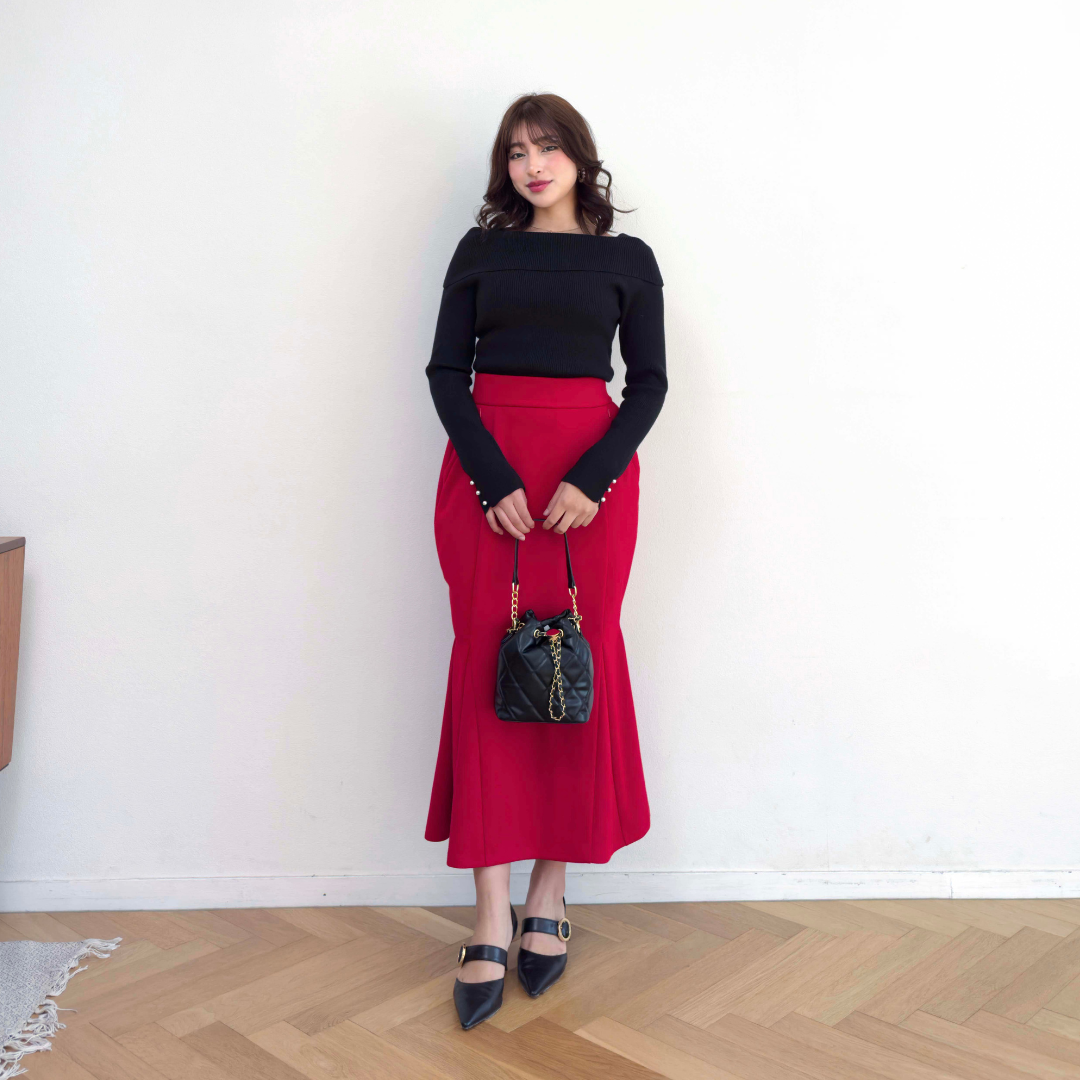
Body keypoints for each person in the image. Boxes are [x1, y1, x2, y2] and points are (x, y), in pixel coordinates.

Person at [423, 91, 668, 1029]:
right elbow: (447, 374)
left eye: (548, 147)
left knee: (573, 666)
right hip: (487, 479)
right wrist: (491, 479)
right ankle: (490, 909)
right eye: (517, 151)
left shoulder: (627, 261)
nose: (532, 165)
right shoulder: (480, 252)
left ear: (579, 157)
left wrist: (594, 479)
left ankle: (548, 894)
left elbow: (648, 385)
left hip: (587, 487)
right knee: (486, 666)